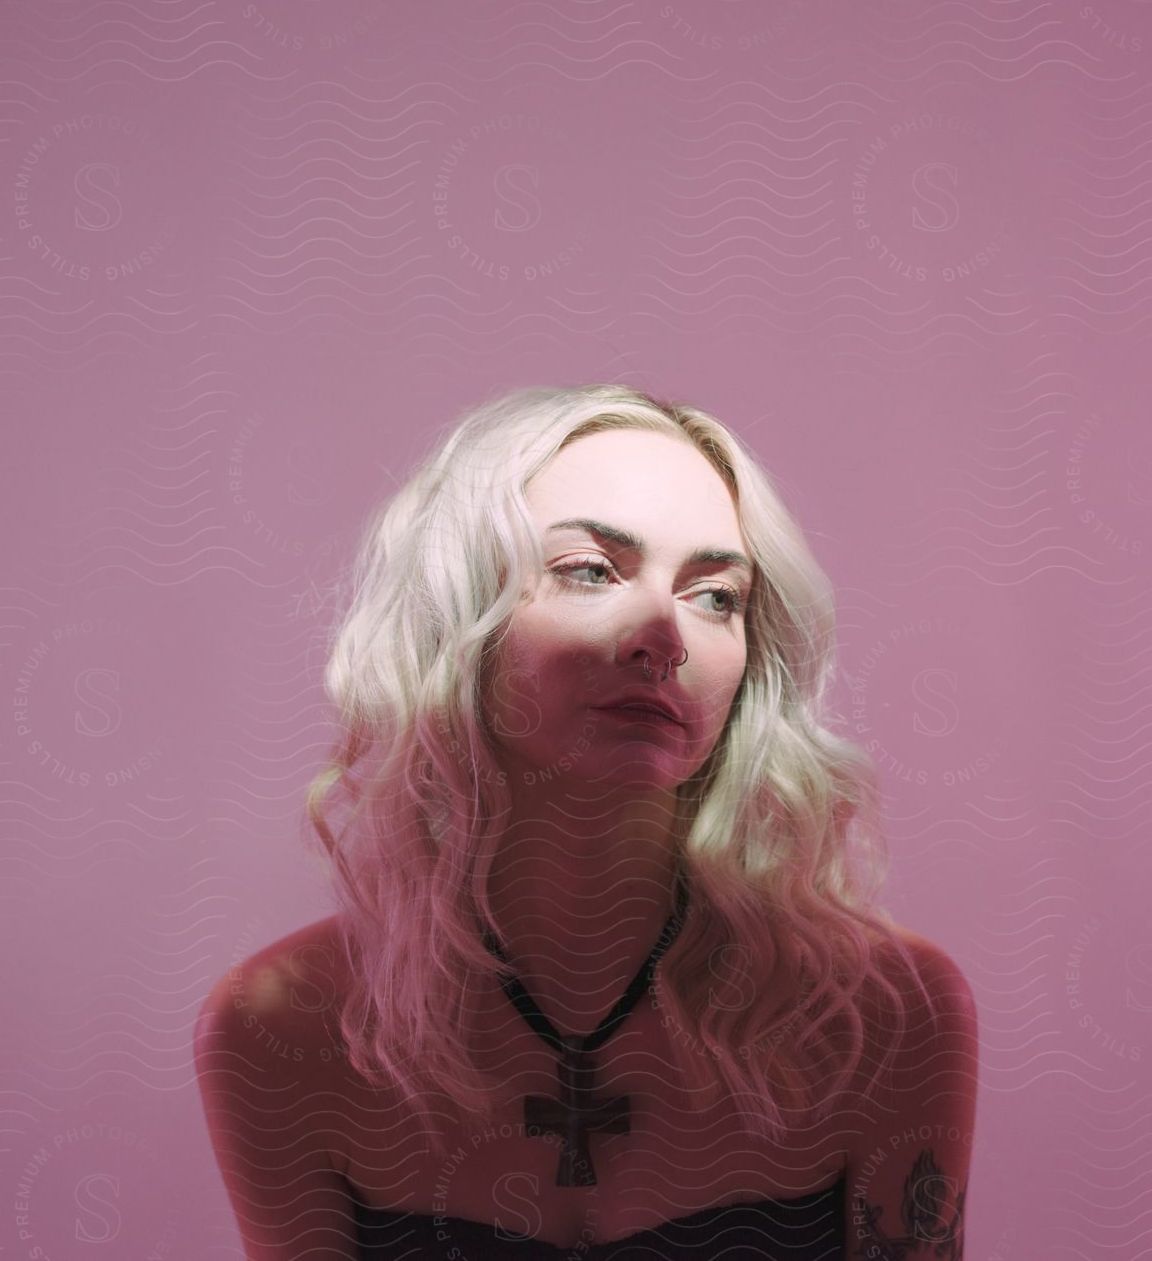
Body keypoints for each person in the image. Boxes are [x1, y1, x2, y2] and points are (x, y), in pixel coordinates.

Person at [194, 383, 978, 1259]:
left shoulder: (884, 1012)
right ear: (460, 621)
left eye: (716, 595)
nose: (664, 634)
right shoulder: (284, 1025)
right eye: (591, 571)